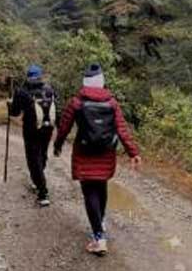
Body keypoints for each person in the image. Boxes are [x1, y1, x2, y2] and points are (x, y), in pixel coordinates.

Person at [53, 64, 142, 255]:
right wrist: (133, 152)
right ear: (101, 81)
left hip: (84, 153)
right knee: (100, 186)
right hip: (106, 153)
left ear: (85, 82)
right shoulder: (112, 103)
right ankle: (100, 222)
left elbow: (64, 127)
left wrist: (58, 145)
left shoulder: (76, 102)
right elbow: (122, 129)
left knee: (89, 192)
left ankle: (99, 238)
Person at [8, 64, 57, 207]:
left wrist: (9, 105)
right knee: (42, 155)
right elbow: (57, 108)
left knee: (33, 159)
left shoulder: (21, 92)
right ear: (40, 76)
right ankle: (38, 180)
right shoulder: (49, 89)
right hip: (47, 128)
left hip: (31, 130)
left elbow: (15, 113)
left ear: (28, 76)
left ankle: (43, 192)